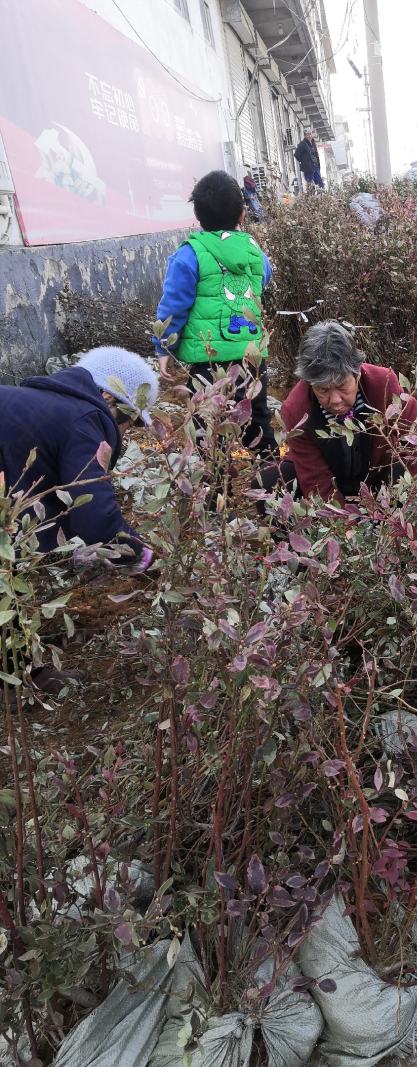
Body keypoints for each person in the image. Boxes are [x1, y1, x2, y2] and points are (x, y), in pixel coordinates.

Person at [0, 347, 158, 691]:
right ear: (109, 398)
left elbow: (49, 496)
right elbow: (91, 509)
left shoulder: (43, 407)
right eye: (128, 421)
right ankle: (17, 683)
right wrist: (137, 554)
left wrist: (72, 548)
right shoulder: (85, 419)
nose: (124, 433)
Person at [154, 169, 278, 468]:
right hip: (251, 358)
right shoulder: (253, 251)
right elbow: (264, 280)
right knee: (257, 422)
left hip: (208, 362)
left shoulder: (189, 255)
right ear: (242, 214)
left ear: (198, 216)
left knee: (207, 431)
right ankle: (276, 490)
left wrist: (163, 348)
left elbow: (174, 305)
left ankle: (211, 500)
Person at [255, 321, 417, 506]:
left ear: (357, 374)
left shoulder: (384, 384)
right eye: (322, 390)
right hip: (328, 479)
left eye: (342, 386)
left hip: (377, 479)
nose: (334, 400)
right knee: (269, 484)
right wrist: (346, 528)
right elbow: (316, 479)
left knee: (405, 471)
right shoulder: (296, 409)